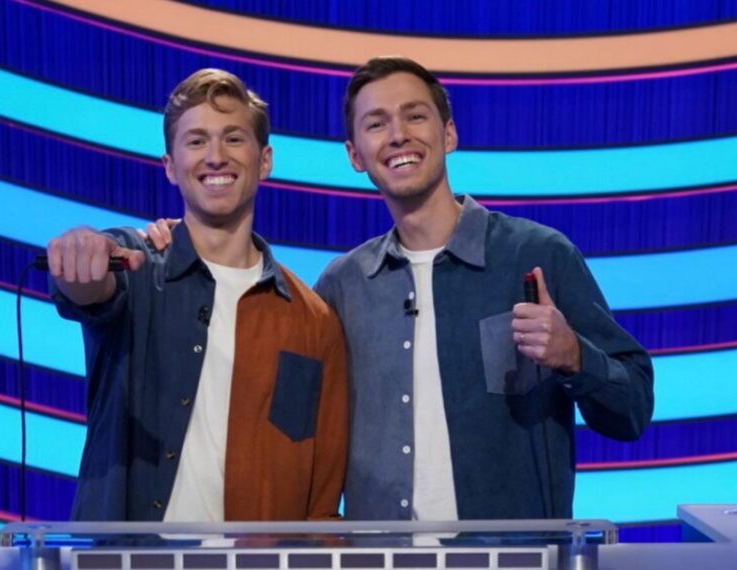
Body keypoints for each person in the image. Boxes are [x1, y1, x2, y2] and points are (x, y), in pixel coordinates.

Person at [144, 57, 654, 521]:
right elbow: (294, 440)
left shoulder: (536, 256)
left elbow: (632, 412)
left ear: (448, 133)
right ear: (355, 155)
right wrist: (185, 246)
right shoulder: (340, 289)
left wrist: (575, 357)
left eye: (415, 116)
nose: (397, 135)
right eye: (376, 124)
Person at [47, 68, 348, 521]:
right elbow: (88, 289)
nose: (215, 156)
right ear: (170, 166)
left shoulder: (313, 321)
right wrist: (80, 254)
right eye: (196, 141)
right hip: (127, 553)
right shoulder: (134, 265)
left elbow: (321, 502)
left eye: (233, 138)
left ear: (265, 160)